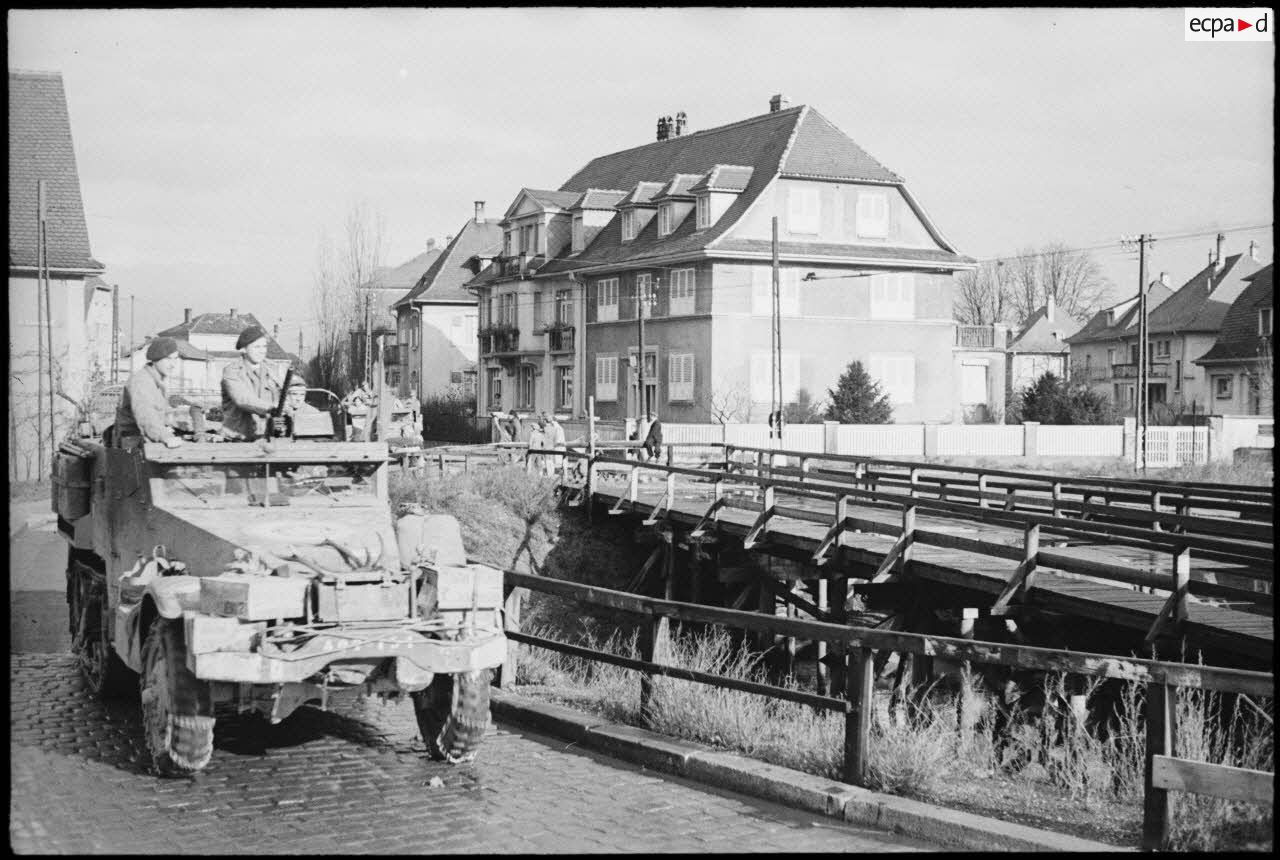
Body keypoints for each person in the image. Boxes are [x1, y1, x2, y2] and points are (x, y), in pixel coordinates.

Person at [115, 337, 185, 449]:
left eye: (175, 359)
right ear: (155, 359)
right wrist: (165, 436)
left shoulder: (156, 383)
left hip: (146, 440)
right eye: (168, 359)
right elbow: (146, 415)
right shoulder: (141, 382)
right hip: (132, 445)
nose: (173, 364)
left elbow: (161, 414)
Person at [221, 326, 282, 441]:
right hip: (237, 438)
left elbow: (284, 396)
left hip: (265, 437)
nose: (262, 351)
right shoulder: (232, 371)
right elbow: (243, 399)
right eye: (257, 347)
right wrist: (272, 408)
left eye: (264, 346)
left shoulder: (272, 369)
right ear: (244, 349)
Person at [543, 412, 567, 477]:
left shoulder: (556, 428)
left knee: (554, 460)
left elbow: (556, 438)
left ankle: (553, 474)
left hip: (557, 445)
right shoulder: (557, 427)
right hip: (556, 445)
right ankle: (554, 474)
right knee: (555, 461)